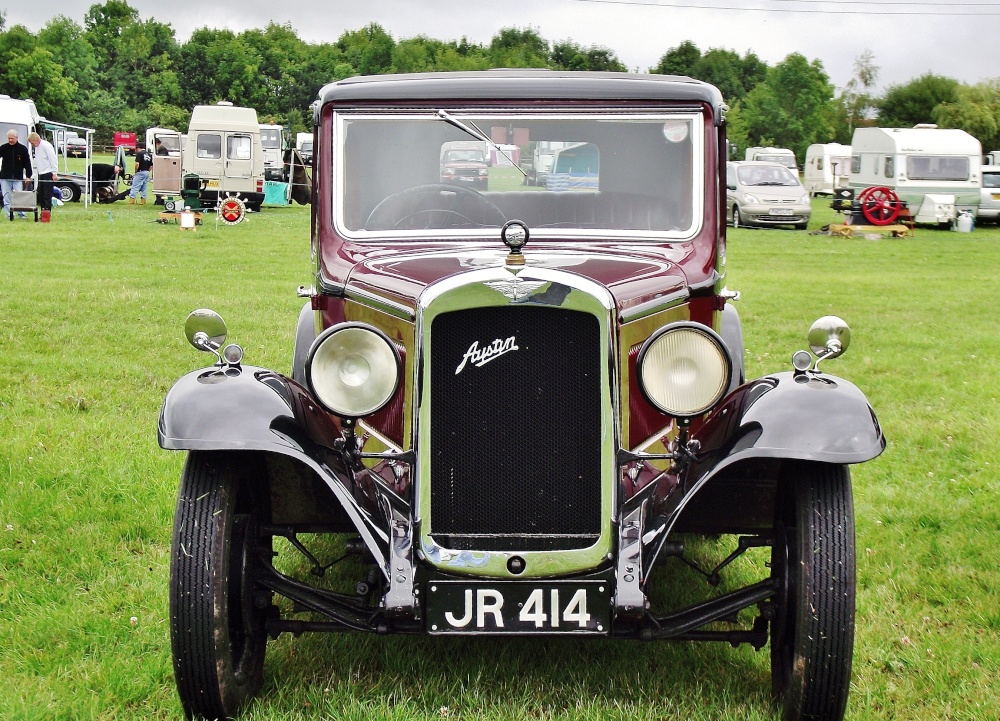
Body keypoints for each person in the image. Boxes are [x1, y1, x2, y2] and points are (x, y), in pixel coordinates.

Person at [1, 129, 34, 219]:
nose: (10, 140)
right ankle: (9, 215)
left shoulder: (22, 149)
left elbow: (27, 163)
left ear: (16, 138)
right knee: (6, 197)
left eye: (12, 138)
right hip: (5, 177)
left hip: (18, 178)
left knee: (19, 196)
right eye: (9, 138)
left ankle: (22, 214)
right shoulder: (3, 148)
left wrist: (28, 176)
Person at [27, 132, 58, 217]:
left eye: (32, 143)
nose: (32, 145)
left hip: (48, 173)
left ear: (36, 140)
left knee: (47, 195)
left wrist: (54, 173)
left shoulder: (46, 146)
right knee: (41, 195)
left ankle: (47, 214)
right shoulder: (37, 147)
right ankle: (43, 212)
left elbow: (53, 159)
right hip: (41, 173)